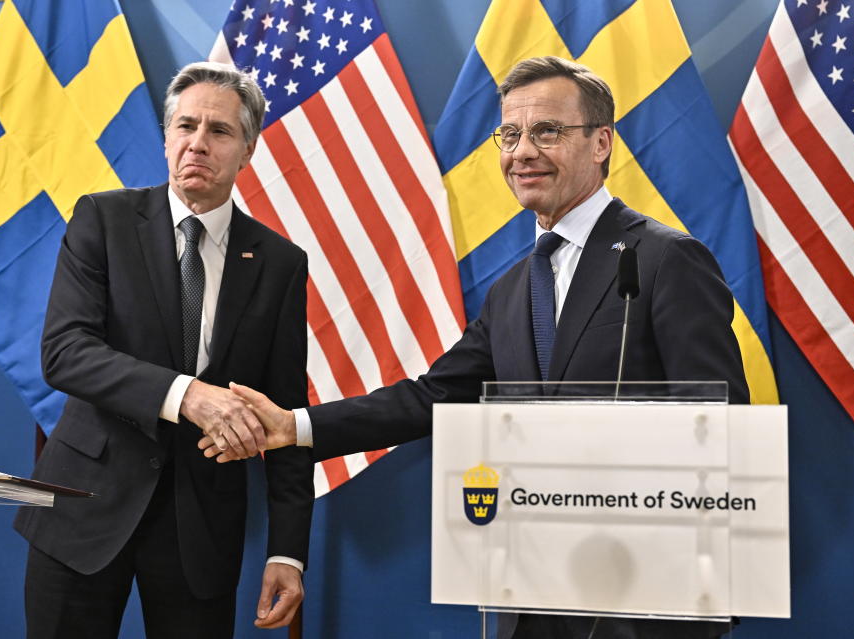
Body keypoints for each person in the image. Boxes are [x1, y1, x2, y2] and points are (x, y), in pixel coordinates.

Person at [216, 57, 749, 638]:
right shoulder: (513, 288)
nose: (522, 152)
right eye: (511, 135)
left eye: (547, 131)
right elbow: (432, 398)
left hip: (645, 600)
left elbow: (717, 423)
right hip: (534, 589)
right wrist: (294, 426)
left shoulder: (666, 260)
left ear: (602, 142)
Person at [14, 61, 313, 639]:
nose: (198, 143)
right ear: (167, 136)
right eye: (185, 126)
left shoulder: (280, 262)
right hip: (83, 510)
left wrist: (288, 552)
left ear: (247, 149)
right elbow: (65, 352)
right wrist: (187, 396)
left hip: (199, 531)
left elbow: (286, 416)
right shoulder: (103, 219)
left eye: (219, 131)